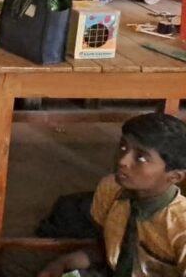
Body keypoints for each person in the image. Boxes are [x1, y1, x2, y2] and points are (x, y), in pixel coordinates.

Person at [17, 113, 186, 277]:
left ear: (175, 176)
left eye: (141, 158)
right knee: (18, 261)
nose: (122, 161)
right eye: (123, 147)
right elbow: (106, 248)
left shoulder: (180, 225)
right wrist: (62, 263)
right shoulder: (111, 188)